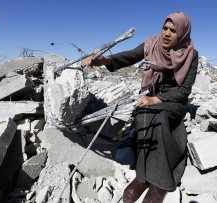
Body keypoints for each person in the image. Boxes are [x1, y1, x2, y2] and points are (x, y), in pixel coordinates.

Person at [84, 11, 198, 203]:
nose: (167, 34)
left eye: (173, 30)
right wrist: (102, 61)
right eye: (165, 28)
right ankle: (143, 176)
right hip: (148, 97)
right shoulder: (151, 45)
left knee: (158, 117)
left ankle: (160, 182)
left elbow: (183, 91)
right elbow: (129, 56)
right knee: (143, 114)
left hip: (172, 101)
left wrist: (157, 99)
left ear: (183, 34)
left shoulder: (190, 55)